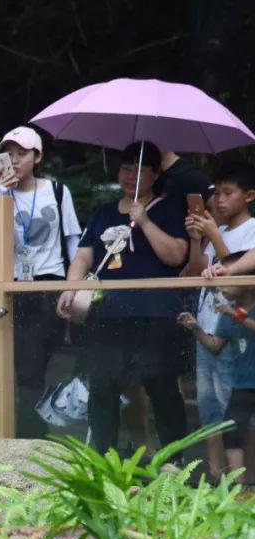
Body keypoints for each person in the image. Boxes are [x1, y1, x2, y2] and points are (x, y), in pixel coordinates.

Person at [57, 142, 189, 454]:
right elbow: (83, 257)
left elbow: (176, 256)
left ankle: (175, 461)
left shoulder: (168, 209)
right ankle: (104, 460)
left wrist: (144, 221)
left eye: (140, 170)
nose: (131, 176)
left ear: (155, 174)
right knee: (103, 386)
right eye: (126, 169)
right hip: (108, 314)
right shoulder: (103, 212)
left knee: (162, 387)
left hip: (155, 313)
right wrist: (69, 287)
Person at [0, 126, 81, 437]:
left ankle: (32, 430)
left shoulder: (57, 191)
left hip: (50, 281)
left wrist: (72, 285)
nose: (14, 160)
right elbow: (1, 242)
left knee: (40, 361)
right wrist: (2, 194)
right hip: (15, 285)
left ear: (38, 156)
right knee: (26, 367)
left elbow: (72, 241)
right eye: (9, 153)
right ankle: (31, 435)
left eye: (22, 153)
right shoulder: (0, 192)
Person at [178, 161, 255, 480]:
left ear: (249, 196)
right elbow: (196, 274)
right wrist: (198, 239)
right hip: (207, 325)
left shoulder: (251, 230)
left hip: (237, 332)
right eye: (217, 193)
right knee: (209, 410)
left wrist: (214, 236)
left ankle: (245, 483)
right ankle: (215, 479)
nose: (220, 200)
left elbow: (235, 284)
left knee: (236, 412)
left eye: (228, 193)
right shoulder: (218, 231)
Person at [178, 276, 255, 486]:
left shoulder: (234, 313)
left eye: (229, 281)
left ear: (248, 283)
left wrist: (234, 314)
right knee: (232, 432)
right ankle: (239, 488)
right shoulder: (227, 315)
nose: (222, 286)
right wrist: (196, 328)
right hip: (242, 384)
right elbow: (214, 345)